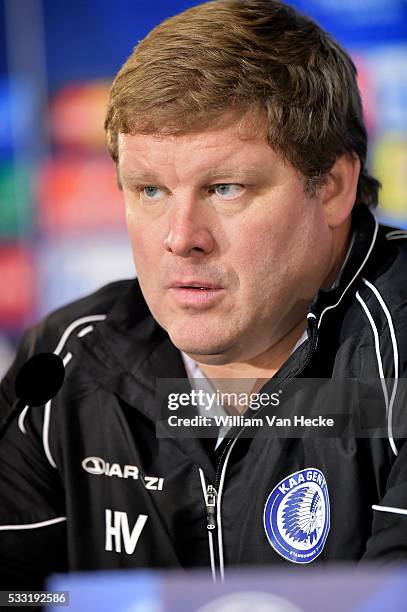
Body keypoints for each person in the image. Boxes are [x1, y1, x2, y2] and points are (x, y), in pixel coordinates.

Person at [1, 0, 407, 590]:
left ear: (333, 187)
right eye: (149, 190)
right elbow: (16, 595)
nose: (180, 239)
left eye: (225, 187)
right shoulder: (65, 363)